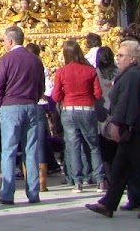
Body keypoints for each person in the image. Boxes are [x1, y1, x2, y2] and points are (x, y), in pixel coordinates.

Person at [84, 40, 140, 220]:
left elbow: (127, 104)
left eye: (121, 55)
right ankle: (108, 203)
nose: (117, 59)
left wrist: (118, 123)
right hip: (134, 130)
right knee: (120, 169)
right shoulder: (130, 74)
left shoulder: (132, 76)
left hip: (136, 131)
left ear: (132, 58)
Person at [0, 26, 45, 205]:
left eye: (5, 40)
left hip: (11, 106)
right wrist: (33, 99)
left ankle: (7, 193)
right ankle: (33, 192)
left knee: (9, 150)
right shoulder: (35, 60)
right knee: (31, 150)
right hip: (30, 105)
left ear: (10, 40)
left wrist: (0, 104)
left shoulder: (6, 59)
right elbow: (41, 86)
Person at [51, 38, 102, 193]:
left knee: (73, 146)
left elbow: (55, 96)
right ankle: (100, 180)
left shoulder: (61, 72)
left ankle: (77, 182)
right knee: (93, 145)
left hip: (69, 109)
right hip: (87, 108)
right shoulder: (90, 70)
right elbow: (98, 93)